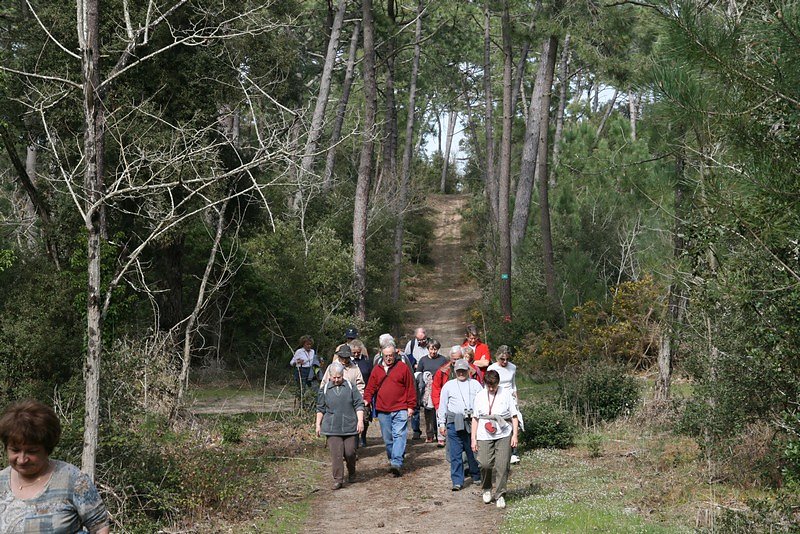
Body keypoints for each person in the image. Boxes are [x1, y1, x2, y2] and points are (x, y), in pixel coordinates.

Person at [0, 400, 110, 533]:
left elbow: (100, 526)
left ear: (47, 449)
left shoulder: (72, 479)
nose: (22, 459)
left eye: (32, 451)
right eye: (15, 450)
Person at [363, 345, 417, 477]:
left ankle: (396, 463)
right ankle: (393, 457)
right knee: (388, 439)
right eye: (386, 355)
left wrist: (411, 406)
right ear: (382, 355)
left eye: (391, 355)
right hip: (383, 409)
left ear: (395, 355)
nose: (388, 358)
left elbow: (410, 387)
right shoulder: (377, 370)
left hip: (400, 408)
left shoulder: (402, 368)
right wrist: (367, 400)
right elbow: (370, 388)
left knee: (400, 435)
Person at [471, 370, 519, 510]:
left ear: (498, 383)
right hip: (484, 433)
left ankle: (500, 494)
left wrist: (515, 435)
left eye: (494, 386)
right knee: (485, 463)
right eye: (489, 386)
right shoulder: (480, 396)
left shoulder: (506, 394)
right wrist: (473, 439)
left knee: (502, 465)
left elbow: (514, 416)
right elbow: (475, 418)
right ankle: (486, 488)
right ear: (485, 384)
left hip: (503, 432)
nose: (491, 389)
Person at [316, 362, 365, 490]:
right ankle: (338, 479)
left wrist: (360, 421)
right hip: (332, 427)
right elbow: (320, 409)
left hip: (350, 425)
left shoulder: (350, 387)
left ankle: (352, 473)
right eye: (334, 377)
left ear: (343, 375)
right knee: (336, 454)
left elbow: (359, 404)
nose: (337, 380)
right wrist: (318, 425)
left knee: (350, 452)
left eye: (339, 377)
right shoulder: (325, 389)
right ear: (330, 376)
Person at [437, 360, 482, 491]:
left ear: (468, 370)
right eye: (458, 371)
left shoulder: (475, 384)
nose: (461, 373)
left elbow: (482, 402)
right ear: (454, 371)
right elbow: (442, 406)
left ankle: (476, 475)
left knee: (472, 451)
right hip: (453, 423)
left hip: (471, 422)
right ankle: (457, 481)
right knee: (455, 454)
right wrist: (441, 424)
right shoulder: (448, 386)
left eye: (463, 370)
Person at [431, 346, 479, 448]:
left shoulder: (472, 370)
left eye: (458, 359)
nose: (455, 361)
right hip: (448, 405)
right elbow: (436, 389)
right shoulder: (442, 370)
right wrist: (437, 405)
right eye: (453, 359)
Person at [487, 345, 520, 464]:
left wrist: (516, 397)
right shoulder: (492, 368)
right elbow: (490, 383)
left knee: (514, 422)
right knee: (499, 422)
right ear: (497, 358)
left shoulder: (513, 367)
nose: (505, 362)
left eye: (507, 359)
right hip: (498, 395)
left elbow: (513, 383)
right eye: (502, 359)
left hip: (510, 396)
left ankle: (514, 452)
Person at [416, 339, 446, 443]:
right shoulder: (423, 360)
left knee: (440, 412)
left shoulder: (443, 360)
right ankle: (429, 434)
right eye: (431, 349)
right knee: (428, 412)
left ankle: (441, 435)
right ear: (428, 349)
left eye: (435, 349)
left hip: (440, 389)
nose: (433, 352)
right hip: (427, 390)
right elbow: (418, 374)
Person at [349, 339, 373, 447]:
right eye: (353, 352)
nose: (356, 354)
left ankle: (363, 436)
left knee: (365, 417)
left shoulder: (367, 361)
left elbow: (372, 377)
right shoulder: (347, 362)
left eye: (358, 352)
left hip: (365, 393)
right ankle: (354, 439)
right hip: (350, 393)